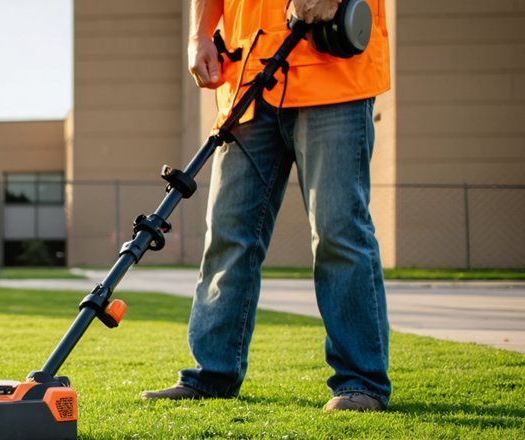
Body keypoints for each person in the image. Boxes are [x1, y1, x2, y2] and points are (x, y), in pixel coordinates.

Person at [141, 0, 392, 411]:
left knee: (337, 230)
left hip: (332, 71)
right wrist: (199, 36)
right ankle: (212, 375)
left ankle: (361, 382)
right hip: (250, 77)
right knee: (227, 236)